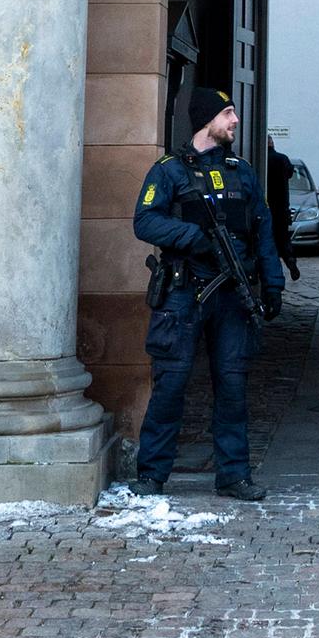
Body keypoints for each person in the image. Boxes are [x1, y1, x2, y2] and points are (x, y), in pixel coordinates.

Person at [130, 87, 284, 501]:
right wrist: (192, 237)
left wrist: (272, 285)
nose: (235, 121)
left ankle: (234, 475)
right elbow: (144, 222)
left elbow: (263, 232)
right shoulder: (169, 171)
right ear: (207, 120)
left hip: (232, 295)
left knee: (232, 387)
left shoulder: (242, 171)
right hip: (183, 293)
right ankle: (151, 475)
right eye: (229, 113)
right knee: (171, 385)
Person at [264, 143, 303, 282]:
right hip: (282, 206)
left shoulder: (262, 158)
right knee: (283, 237)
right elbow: (290, 173)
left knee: (267, 238)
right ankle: (290, 259)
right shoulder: (282, 159)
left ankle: (272, 270)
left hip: (266, 205)